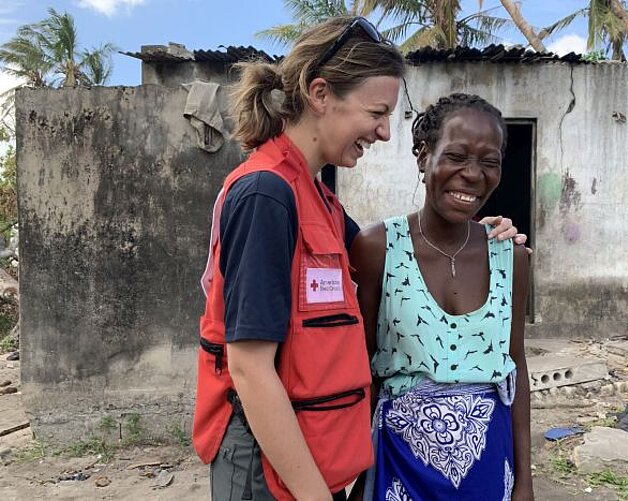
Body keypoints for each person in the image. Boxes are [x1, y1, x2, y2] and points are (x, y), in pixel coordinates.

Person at [192, 17, 525, 501]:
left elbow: (404, 252)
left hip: (304, 458)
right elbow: (250, 369)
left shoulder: (321, 204)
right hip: (267, 464)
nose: (385, 132)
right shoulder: (266, 195)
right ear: (321, 94)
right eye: (377, 112)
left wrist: (485, 233)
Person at [350, 93, 533, 500]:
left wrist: (524, 481)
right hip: (400, 466)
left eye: (490, 162)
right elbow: (361, 368)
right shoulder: (378, 247)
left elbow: (515, 365)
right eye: (456, 156)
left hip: (489, 464)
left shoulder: (512, 257)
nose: (472, 174)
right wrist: (362, 476)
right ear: (422, 156)